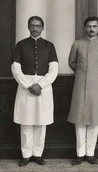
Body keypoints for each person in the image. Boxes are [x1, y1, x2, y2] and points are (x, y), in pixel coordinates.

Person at [11, 16, 58, 166]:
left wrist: (40, 85)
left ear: (42, 27)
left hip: (44, 87)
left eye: (38, 26)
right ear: (28, 27)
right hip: (25, 86)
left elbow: (54, 69)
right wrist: (28, 85)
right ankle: (26, 154)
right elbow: (15, 68)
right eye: (32, 25)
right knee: (26, 122)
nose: (35, 28)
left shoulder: (49, 46)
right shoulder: (21, 45)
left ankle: (37, 154)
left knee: (41, 122)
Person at [68, 16, 98, 165]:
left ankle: (90, 153)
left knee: (94, 120)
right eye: (89, 26)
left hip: (97, 87)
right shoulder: (77, 44)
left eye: (94, 26)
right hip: (80, 86)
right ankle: (80, 154)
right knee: (79, 120)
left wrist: (97, 74)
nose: (91, 29)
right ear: (85, 28)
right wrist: (83, 73)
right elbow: (72, 62)